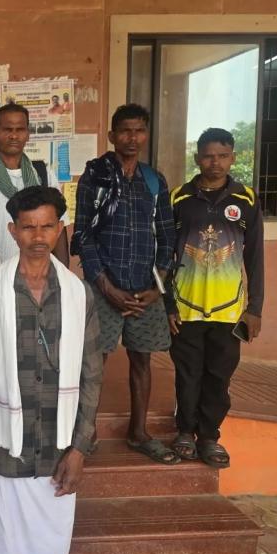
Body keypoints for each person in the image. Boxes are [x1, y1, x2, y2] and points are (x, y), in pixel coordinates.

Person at [0, 186, 103, 554]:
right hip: (1, 451)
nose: (38, 237)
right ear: (13, 231)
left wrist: (79, 449)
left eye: (47, 227)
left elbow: (91, 375)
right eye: (28, 228)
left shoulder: (79, 293)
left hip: (56, 452)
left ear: (60, 229)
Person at [71, 103, 177, 464]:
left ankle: (139, 432)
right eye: (125, 131)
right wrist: (106, 287)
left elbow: (168, 237)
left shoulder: (154, 181)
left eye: (139, 131)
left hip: (145, 290)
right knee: (94, 362)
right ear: (112, 136)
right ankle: (87, 432)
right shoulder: (95, 177)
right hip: (104, 287)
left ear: (146, 135)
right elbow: (83, 235)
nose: (132, 138)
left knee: (142, 360)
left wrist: (156, 289)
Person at [166, 128, 264, 469]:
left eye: (222, 156)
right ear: (197, 159)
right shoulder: (179, 198)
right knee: (187, 373)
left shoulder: (246, 199)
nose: (215, 163)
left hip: (229, 310)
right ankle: (184, 432)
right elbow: (163, 255)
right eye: (208, 156)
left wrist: (254, 308)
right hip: (186, 306)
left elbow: (255, 258)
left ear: (233, 158)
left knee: (219, 376)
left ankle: (209, 436)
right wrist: (167, 305)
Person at [0, 103, 70, 264]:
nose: (14, 136)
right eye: (7, 130)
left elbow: (59, 230)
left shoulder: (44, 175)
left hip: (39, 274)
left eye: (20, 129)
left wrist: (63, 272)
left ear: (28, 134)